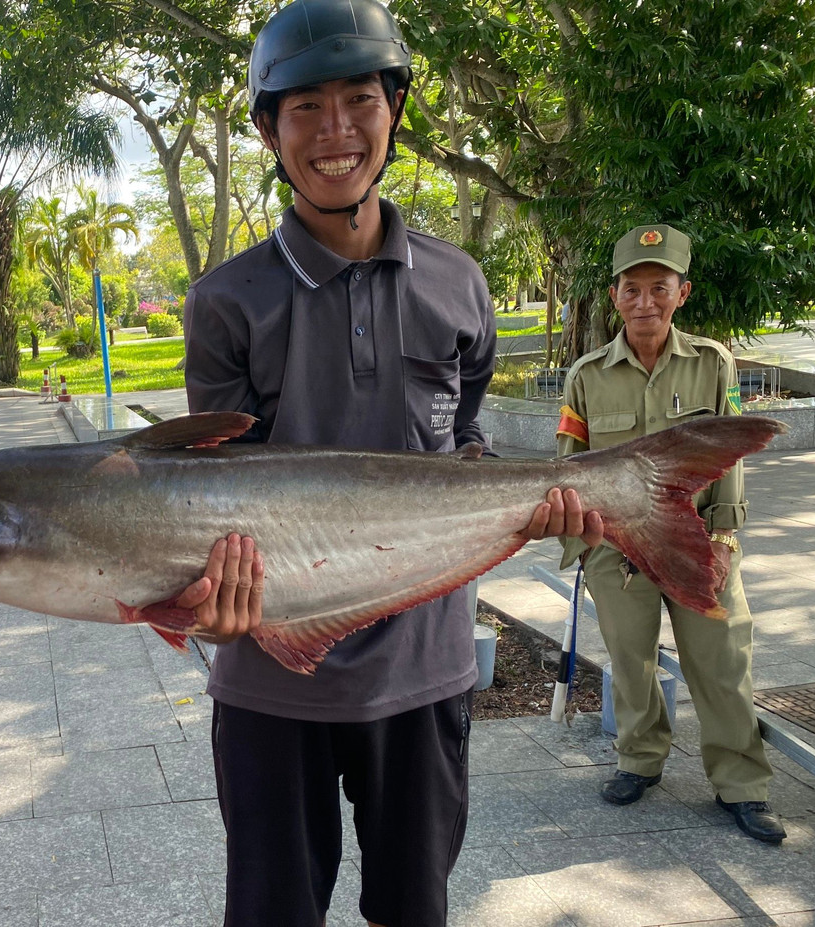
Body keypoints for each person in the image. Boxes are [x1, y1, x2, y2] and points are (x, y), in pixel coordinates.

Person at [181, 3, 601, 924]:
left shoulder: (460, 282)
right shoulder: (225, 301)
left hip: (425, 664)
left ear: (396, 109)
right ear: (268, 130)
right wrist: (200, 597)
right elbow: (213, 490)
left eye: (360, 99)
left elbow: (462, 440)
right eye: (305, 107)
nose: (336, 130)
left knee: (415, 907)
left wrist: (522, 500)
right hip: (270, 678)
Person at [556, 223, 784, 843]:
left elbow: (730, 458)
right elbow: (568, 466)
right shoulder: (587, 375)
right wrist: (584, 547)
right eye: (632, 289)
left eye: (660, 287)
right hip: (617, 549)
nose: (645, 302)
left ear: (682, 293)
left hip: (697, 542)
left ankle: (742, 784)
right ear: (614, 296)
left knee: (721, 663)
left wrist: (725, 537)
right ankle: (639, 759)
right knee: (630, 663)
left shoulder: (712, 363)